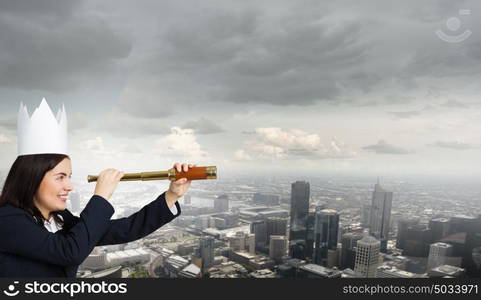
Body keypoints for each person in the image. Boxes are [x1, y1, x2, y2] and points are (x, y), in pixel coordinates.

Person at [0, 99, 193, 277]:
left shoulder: (60, 219)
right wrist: (100, 197)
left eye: (69, 177)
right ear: (31, 179)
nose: (69, 186)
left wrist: (171, 196)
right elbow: (69, 252)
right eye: (60, 177)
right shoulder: (7, 219)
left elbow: (124, 230)